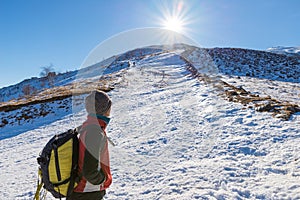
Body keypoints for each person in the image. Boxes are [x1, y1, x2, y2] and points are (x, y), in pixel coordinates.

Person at [68, 90, 113, 200]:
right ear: (104, 109)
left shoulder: (88, 127)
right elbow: (90, 171)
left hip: (82, 191)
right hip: (88, 192)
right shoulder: (95, 132)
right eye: (109, 107)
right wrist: (102, 179)